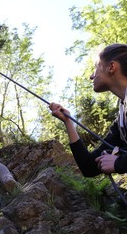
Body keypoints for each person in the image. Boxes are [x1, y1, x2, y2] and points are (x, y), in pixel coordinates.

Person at [49, 44, 127, 177]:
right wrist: (68, 122)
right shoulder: (121, 121)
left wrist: (119, 162)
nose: (91, 76)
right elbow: (89, 166)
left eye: (96, 67)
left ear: (111, 67)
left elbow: (118, 163)